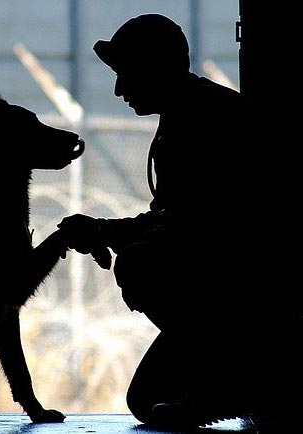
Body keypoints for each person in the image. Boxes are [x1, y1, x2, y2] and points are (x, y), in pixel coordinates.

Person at [58, 13, 301, 431]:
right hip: (235, 291)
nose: (119, 89)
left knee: (141, 264)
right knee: (147, 399)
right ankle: (244, 384)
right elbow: (179, 220)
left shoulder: (207, 120)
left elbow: (196, 229)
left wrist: (106, 232)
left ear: (156, 68)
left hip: (245, 292)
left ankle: (244, 379)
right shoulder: (194, 112)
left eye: (127, 73)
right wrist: (104, 230)